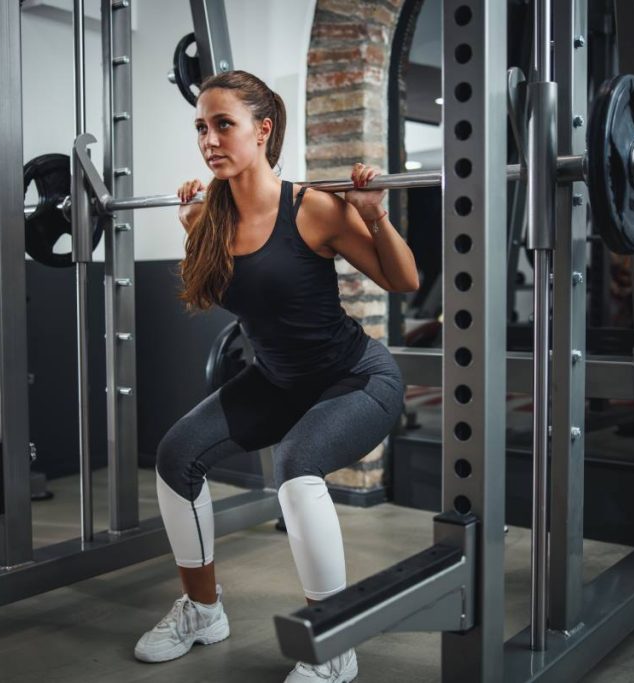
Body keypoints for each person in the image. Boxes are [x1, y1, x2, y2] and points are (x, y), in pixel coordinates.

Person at [133, 70, 419, 683]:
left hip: (356, 380)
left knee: (296, 467)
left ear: (262, 130)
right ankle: (203, 611)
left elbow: (404, 282)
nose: (209, 139)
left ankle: (334, 645)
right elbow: (221, 294)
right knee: (177, 455)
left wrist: (373, 217)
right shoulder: (210, 216)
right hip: (280, 382)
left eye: (223, 125)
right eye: (201, 128)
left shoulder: (312, 206)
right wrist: (190, 232)